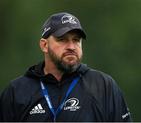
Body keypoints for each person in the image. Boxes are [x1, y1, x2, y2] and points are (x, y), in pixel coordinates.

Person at [0, 12, 132, 122]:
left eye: (76, 40)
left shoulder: (103, 86)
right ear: (44, 45)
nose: (71, 47)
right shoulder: (16, 92)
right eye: (62, 39)